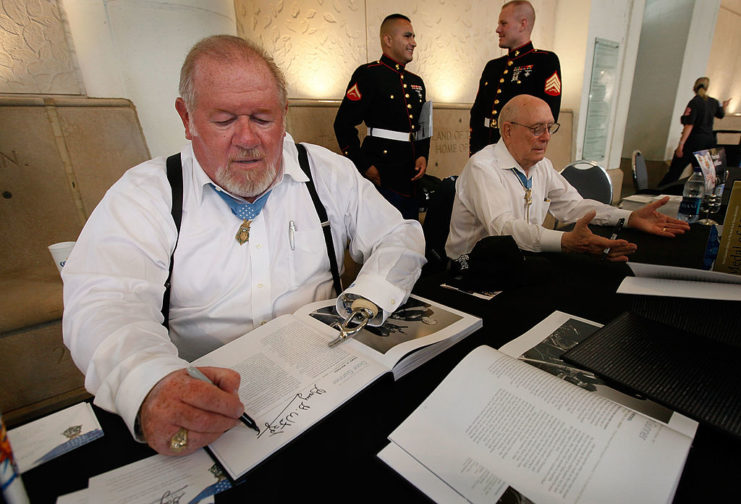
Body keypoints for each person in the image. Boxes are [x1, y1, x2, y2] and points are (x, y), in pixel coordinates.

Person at [62, 35, 426, 457]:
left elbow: (398, 235)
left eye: (262, 118)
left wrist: (368, 297)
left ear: (285, 113)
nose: (247, 138)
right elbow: (103, 301)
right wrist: (149, 381)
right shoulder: (146, 194)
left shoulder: (327, 172)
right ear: (186, 118)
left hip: (326, 385)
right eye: (224, 120)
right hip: (208, 409)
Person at [446, 94, 689, 261]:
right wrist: (565, 241)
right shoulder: (483, 167)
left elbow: (575, 206)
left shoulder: (541, 166)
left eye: (550, 127)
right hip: (468, 264)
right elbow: (503, 228)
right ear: (508, 130)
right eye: (537, 128)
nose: (546, 137)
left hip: (519, 257)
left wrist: (628, 218)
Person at [333, 13, 430, 220]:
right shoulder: (369, 74)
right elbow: (343, 124)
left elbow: (423, 125)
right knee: (382, 238)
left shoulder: (417, 82)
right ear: (388, 40)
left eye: (413, 37)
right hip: (382, 173)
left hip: (411, 175)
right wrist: (365, 166)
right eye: (407, 36)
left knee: (410, 236)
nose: (413, 43)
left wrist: (423, 154)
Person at [469, 0, 561, 156]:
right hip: (486, 150)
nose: (498, 30)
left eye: (503, 24)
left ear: (522, 24)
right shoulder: (493, 66)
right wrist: (475, 152)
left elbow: (547, 117)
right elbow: (477, 113)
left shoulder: (544, 61)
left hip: (518, 154)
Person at [659, 77, 731, 186]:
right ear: (707, 88)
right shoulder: (714, 102)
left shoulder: (694, 102)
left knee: (674, 172)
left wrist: (681, 144)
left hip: (693, 141)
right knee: (705, 174)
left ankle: (661, 191)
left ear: (694, 87)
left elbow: (689, 125)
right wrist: (724, 106)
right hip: (708, 142)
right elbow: (721, 114)